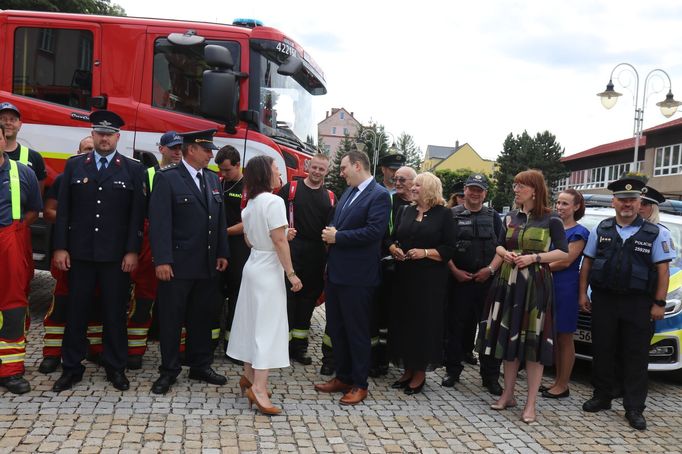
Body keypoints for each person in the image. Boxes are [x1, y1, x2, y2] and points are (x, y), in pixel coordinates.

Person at [52, 110, 146, 393]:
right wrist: (60, 247)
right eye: (100, 133)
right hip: (80, 254)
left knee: (115, 313)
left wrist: (132, 251)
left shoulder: (132, 169)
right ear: (92, 135)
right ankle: (71, 368)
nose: (104, 138)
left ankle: (115, 367)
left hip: (116, 257)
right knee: (76, 311)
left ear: (118, 137)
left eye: (109, 134)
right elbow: (64, 211)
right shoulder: (75, 166)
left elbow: (136, 217)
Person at [580, 177, 675, 431]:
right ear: (614, 202)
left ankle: (634, 407)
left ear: (639, 202)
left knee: (635, 356)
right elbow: (587, 263)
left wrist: (659, 303)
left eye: (632, 200)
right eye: (622, 200)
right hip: (605, 300)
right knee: (603, 350)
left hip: (638, 303)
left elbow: (663, 271)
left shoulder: (656, 233)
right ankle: (602, 396)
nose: (627, 204)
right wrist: (582, 294)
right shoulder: (602, 229)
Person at [478, 169, 568, 423]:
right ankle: (508, 395)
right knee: (508, 340)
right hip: (508, 281)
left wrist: (535, 257)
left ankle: (530, 404)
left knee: (532, 345)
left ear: (535, 190)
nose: (516, 190)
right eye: (515, 185)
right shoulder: (510, 217)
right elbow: (498, 244)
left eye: (521, 186)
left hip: (535, 285)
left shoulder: (551, 220)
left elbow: (563, 252)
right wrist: (505, 253)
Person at [148, 129, 229, 395]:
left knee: (202, 318)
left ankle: (200, 365)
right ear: (190, 149)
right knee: (172, 319)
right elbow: (160, 224)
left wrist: (222, 252)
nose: (210, 155)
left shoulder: (212, 179)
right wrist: (162, 260)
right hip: (177, 265)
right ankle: (169, 370)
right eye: (207, 150)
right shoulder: (167, 178)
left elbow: (219, 221)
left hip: (205, 264)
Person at [227, 155, 303, 415]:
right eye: (274, 168)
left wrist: (276, 237)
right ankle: (259, 387)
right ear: (265, 174)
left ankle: (249, 376)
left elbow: (249, 240)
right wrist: (291, 273)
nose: (278, 172)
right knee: (267, 328)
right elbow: (279, 242)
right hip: (269, 270)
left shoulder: (249, 206)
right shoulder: (275, 201)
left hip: (253, 265)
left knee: (251, 323)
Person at [314, 150, 391, 406]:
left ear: (358, 166)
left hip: (359, 277)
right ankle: (343, 376)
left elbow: (374, 232)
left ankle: (360, 383)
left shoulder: (379, 195)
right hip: (336, 274)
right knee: (337, 329)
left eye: (344, 167)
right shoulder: (348, 192)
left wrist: (338, 237)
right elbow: (338, 222)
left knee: (357, 332)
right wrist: (331, 233)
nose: (341, 172)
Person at [39, 136, 104, 374]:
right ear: (78, 152)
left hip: (96, 253)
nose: (90, 152)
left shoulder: (104, 179)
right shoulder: (65, 178)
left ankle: (95, 349)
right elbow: (48, 212)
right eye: (86, 149)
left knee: (97, 302)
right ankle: (52, 353)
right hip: (69, 250)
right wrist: (74, 220)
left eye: (92, 149)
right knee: (63, 303)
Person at [387, 172, 456, 395]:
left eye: (418, 185)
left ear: (429, 188)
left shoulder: (444, 214)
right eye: (413, 184)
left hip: (429, 281)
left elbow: (449, 248)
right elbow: (394, 236)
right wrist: (393, 248)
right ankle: (407, 369)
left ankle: (419, 373)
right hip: (403, 276)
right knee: (403, 323)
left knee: (423, 325)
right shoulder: (404, 210)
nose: (413, 188)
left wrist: (425, 252)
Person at [126, 131, 184, 370]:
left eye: (180, 148)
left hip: (179, 244)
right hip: (150, 245)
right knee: (143, 300)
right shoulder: (147, 175)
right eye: (172, 148)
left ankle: (179, 352)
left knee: (179, 303)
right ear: (161, 149)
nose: (177, 152)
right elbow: (137, 215)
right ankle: (134, 351)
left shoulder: (187, 175)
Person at [442, 173, 504, 395]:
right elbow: (443, 248)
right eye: (471, 189)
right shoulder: (451, 215)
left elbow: (502, 248)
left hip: (487, 282)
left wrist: (490, 270)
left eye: (480, 190)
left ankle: (490, 377)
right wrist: (454, 271)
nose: (475, 193)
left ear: (485, 193)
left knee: (489, 330)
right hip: (459, 281)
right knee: (455, 327)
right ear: (464, 191)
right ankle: (453, 370)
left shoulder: (494, 217)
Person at [277, 153, 334, 366]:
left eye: (322, 169)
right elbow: (274, 219)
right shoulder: (290, 190)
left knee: (308, 301)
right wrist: (284, 231)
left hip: (316, 254)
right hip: (292, 250)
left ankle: (299, 348)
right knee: (288, 300)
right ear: (308, 166)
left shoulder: (329, 197)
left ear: (327, 171)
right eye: (315, 167)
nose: (318, 172)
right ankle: (282, 346)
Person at [0, 123, 42, 394]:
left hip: (9, 243)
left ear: (4, 140)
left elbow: (34, 211)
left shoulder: (22, 172)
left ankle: (10, 370)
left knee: (14, 306)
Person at [540, 188, 589, 399]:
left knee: (564, 337)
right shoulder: (552, 226)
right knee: (550, 333)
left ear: (576, 207)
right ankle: (555, 381)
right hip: (545, 283)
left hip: (565, 286)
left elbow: (566, 260)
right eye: (558, 202)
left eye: (565, 204)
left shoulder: (579, 232)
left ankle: (562, 384)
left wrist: (536, 265)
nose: (559, 207)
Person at [370, 165, 416, 377]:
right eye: (395, 179)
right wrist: (391, 247)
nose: (397, 184)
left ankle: (398, 359)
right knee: (380, 316)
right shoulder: (388, 201)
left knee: (399, 318)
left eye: (402, 180)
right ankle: (377, 360)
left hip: (411, 270)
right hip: (387, 265)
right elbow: (381, 231)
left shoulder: (420, 206)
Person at [215, 145, 248, 363]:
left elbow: (247, 222)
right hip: (218, 246)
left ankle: (232, 346)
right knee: (214, 295)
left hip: (238, 248)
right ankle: (210, 342)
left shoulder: (248, 187)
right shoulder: (219, 183)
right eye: (221, 170)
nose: (223, 174)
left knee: (237, 298)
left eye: (227, 170)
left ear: (238, 165)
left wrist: (222, 231)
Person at [0, 101, 47, 193]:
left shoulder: (35, 157)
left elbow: (37, 195)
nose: (8, 122)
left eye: (12, 119)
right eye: (3, 119)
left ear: (20, 125)